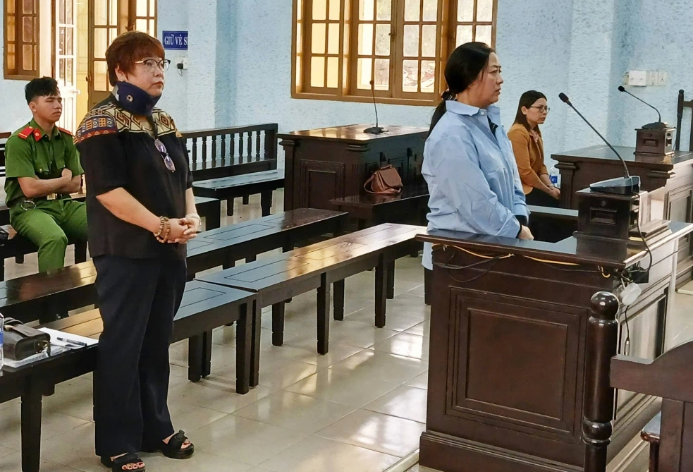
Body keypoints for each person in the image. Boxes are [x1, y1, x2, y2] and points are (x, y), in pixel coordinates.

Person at [75, 31, 197, 472]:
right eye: (148, 63)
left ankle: (156, 426)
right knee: (123, 344)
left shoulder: (163, 120)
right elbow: (109, 192)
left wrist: (190, 216)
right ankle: (116, 439)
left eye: (161, 63)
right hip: (125, 251)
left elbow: (183, 179)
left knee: (156, 341)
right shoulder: (100, 124)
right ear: (121, 71)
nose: (159, 71)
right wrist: (160, 226)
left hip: (169, 250)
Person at [422, 42, 532, 277]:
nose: (501, 79)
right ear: (470, 79)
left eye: (500, 71)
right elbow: (475, 203)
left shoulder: (491, 123)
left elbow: (513, 180)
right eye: (494, 72)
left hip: (496, 246)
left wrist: (520, 217)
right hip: (459, 256)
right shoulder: (452, 133)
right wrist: (516, 231)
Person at [4, 77, 87, 272]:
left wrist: (49, 184)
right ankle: (51, 291)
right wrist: (63, 179)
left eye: (59, 100)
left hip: (63, 204)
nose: (58, 105)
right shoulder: (19, 141)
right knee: (54, 238)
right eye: (50, 100)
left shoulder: (66, 139)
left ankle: (107, 285)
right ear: (33, 106)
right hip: (28, 209)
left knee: (105, 224)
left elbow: (76, 184)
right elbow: (30, 189)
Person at [508, 90, 560, 207]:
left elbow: (541, 166)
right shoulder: (517, 132)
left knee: (563, 197)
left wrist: (551, 186)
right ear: (524, 110)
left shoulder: (534, 131)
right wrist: (548, 191)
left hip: (534, 185)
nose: (544, 112)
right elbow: (524, 171)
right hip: (522, 188)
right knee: (554, 203)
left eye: (546, 108)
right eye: (540, 108)